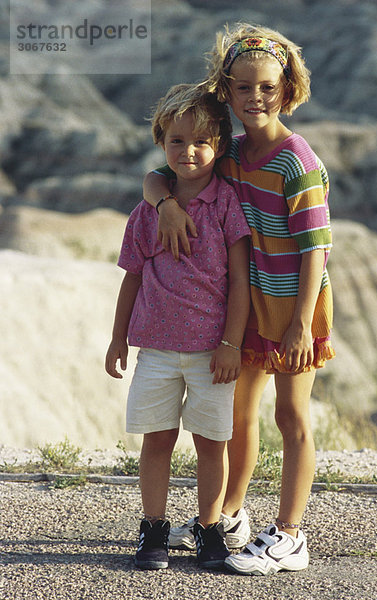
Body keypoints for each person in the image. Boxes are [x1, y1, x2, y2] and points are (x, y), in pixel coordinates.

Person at [142, 22, 335, 576]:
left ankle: (291, 534)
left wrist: (300, 324)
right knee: (237, 417)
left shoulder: (296, 160)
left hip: (296, 304)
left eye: (267, 87)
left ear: (287, 89)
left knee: (291, 415)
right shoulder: (229, 155)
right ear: (225, 90)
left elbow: (315, 248)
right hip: (249, 301)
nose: (255, 97)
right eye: (243, 86)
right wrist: (165, 207)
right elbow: (158, 177)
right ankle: (229, 516)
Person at [105, 82, 251, 571]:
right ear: (160, 141)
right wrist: (117, 337)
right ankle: (154, 529)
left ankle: (211, 529)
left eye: (201, 142)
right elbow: (132, 277)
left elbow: (239, 282)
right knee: (158, 439)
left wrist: (231, 343)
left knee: (212, 443)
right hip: (157, 351)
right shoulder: (146, 212)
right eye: (176, 141)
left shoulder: (227, 205)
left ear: (220, 146)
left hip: (214, 353)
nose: (188, 151)